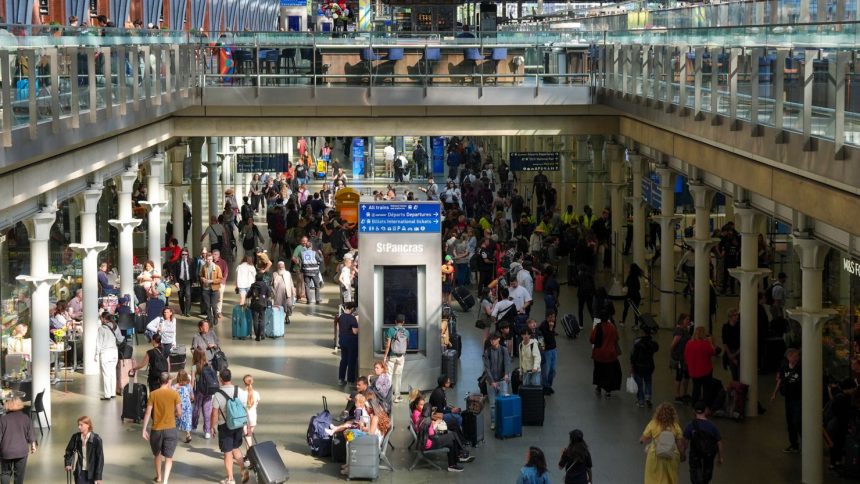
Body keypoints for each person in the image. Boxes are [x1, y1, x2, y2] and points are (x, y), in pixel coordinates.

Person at [210, 369, 250, 484]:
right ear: (230, 377)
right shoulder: (240, 391)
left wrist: (212, 427)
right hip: (238, 425)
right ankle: (243, 469)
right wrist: (247, 424)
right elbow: (244, 409)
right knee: (235, 448)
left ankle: (230, 478)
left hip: (225, 426)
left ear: (220, 379)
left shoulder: (218, 395)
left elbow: (214, 413)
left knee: (227, 452)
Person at [410, 396, 469, 473]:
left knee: (451, 439)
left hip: (424, 442)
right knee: (452, 436)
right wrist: (436, 427)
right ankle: (459, 456)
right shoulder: (426, 420)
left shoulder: (421, 417)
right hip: (428, 444)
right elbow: (432, 435)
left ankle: (454, 463)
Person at [141, 372, 181, 484]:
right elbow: (179, 412)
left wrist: (144, 429)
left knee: (157, 454)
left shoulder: (153, 394)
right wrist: (173, 414)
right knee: (169, 457)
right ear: (168, 381)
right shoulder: (174, 394)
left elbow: (148, 413)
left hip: (156, 430)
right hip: (171, 429)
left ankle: (158, 477)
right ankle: (165, 481)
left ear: (159, 381)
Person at [640, 402, 684, 484]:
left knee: (653, 478)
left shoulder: (653, 424)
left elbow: (643, 438)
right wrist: (682, 455)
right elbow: (680, 444)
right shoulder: (675, 426)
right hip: (672, 455)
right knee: (671, 477)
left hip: (655, 455)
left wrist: (642, 441)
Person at [682, 401, 723, 484]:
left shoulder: (690, 425)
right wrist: (720, 457)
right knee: (706, 476)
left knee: (696, 476)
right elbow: (719, 442)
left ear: (694, 411)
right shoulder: (711, 426)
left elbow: (685, 442)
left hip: (695, 454)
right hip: (708, 455)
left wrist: (683, 453)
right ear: (706, 411)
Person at [771, 348, 801, 453]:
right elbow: (780, 381)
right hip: (788, 399)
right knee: (790, 422)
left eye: (797, 356)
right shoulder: (784, 368)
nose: (797, 358)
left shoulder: (800, 367)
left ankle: (805, 442)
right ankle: (794, 444)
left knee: (797, 421)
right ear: (789, 357)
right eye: (794, 356)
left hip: (798, 399)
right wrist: (774, 393)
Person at [0, 397, 36, 484]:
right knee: (19, 475)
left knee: (5, 473)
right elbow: (30, 433)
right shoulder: (25, 418)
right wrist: (33, 445)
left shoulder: (2, 419)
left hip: (6, 451)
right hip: (21, 451)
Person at [482, 333, 512, 430]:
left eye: (494, 339)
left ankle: (503, 421)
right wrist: (492, 381)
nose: (492, 341)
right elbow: (487, 368)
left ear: (498, 339)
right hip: (491, 382)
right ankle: (494, 422)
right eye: (491, 340)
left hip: (502, 380)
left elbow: (507, 363)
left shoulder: (504, 350)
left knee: (502, 402)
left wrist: (506, 374)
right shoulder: (487, 352)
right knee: (492, 405)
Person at [63, 416, 105, 484]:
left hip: (92, 473)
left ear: (88, 425)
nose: (79, 427)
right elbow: (69, 451)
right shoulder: (76, 437)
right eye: (78, 425)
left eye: (81, 425)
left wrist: (98, 477)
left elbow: (100, 459)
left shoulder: (96, 439)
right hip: (80, 472)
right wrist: (67, 464)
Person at [589, 315, 621, 397]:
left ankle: (598, 387)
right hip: (610, 355)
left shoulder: (598, 327)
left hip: (599, 354)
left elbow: (592, 339)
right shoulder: (612, 327)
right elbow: (616, 338)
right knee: (609, 373)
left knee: (599, 371)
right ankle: (608, 391)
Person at [684, 326, 716, 405]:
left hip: (693, 371)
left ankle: (694, 404)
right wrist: (711, 343)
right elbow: (713, 352)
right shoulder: (705, 344)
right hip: (705, 370)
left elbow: (686, 356)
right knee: (706, 389)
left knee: (696, 388)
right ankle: (706, 405)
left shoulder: (689, 344)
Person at [631, 327, 660, 408]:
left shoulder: (637, 342)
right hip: (649, 366)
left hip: (638, 366)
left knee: (639, 384)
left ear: (642, 332)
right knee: (648, 382)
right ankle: (648, 397)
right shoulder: (652, 343)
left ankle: (641, 401)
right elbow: (656, 348)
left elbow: (633, 355)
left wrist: (632, 366)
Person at [191, 349, 216, 440]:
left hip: (199, 391)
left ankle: (193, 426)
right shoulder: (209, 366)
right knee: (207, 411)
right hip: (208, 391)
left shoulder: (194, 367)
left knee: (196, 409)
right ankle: (207, 432)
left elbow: (192, 382)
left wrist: (191, 392)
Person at [383, 314, 409, 402]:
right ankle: (397, 396)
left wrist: (385, 356)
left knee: (389, 375)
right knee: (398, 376)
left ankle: (388, 395)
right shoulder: (406, 332)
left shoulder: (391, 330)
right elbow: (406, 344)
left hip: (392, 356)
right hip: (401, 356)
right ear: (403, 322)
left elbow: (388, 345)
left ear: (395, 321)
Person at [95, 311, 120, 400]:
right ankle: (113, 393)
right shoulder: (115, 326)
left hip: (106, 353)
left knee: (106, 374)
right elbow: (120, 339)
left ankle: (107, 395)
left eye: (101, 318)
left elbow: (99, 343)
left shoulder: (102, 329)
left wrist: (96, 354)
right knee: (112, 373)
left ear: (104, 319)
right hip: (114, 352)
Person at [671, 314, 693, 403]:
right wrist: (675, 355)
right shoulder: (679, 331)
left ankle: (684, 393)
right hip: (680, 358)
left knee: (686, 375)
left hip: (685, 357)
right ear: (682, 320)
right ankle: (677, 395)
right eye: (687, 319)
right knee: (679, 375)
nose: (688, 321)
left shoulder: (685, 329)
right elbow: (673, 344)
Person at [337, 303, 359, 386]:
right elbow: (355, 331)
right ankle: (350, 380)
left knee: (344, 360)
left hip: (342, 340)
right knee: (351, 361)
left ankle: (341, 379)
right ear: (352, 309)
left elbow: (338, 328)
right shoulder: (352, 318)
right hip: (351, 342)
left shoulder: (341, 317)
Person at [199, 253, 224, 327]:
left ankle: (215, 316)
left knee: (213, 305)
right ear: (206, 259)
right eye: (207, 259)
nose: (209, 261)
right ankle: (210, 319)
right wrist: (202, 279)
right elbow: (201, 275)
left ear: (212, 259)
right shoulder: (204, 267)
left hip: (214, 289)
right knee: (207, 305)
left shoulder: (217, 267)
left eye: (210, 259)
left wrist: (211, 281)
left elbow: (220, 279)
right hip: (206, 289)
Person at [299, 236, 323, 304]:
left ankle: (309, 300)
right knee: (317, 286)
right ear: (311, 246)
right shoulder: (314, 253)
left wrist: (301, 271)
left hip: (306, 272)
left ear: (306, 247)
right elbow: (320, 260)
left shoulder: (302, 254)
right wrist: (321, 254)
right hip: (315, 272)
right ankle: (317, 300)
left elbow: (301, 263)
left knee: (307, 286)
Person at [247, 273, 271, 341]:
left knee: (255, 319)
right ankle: (262, 335)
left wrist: (248, 296)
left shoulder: (253, 285)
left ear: (256, 278)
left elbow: (249, 294)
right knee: (262, 319)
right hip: (262, 304)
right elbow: (269, 294)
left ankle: (257, 335)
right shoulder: (265, 285)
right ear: (262, 278)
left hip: (254, 304)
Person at [539, 312, 558, 395]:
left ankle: (549, 385)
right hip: (547, 351)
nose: (553, 319)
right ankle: (544, 386)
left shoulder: (553, 323)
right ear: (547, 317)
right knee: (545, 370)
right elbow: (548, 339)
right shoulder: (543, 326)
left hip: (553, 349)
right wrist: (550, 328)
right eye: (551, 317)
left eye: (553, 317)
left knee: (552, 370)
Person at [172, 370, 194, 444]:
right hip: (187, 406)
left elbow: (170, 391)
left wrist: (172, 379)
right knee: (187, 420)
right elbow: (192, 397)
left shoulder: (176, 386)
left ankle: (173, 435)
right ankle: (188, 435)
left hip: (179, 406)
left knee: (176, 420)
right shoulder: (189, 385)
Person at [622, 263, 644, 327]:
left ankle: (623, 322)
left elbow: (626, 285)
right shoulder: (636, 277)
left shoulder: (630, 277)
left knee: (625, 309)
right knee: (636, 311)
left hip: (629, 296)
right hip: (637, 296)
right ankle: (636, 324)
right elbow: (638, 287)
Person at [721, 309, 740, 382]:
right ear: (730, 317)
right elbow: (724, 342)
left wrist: (735, 354)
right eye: (734, 315)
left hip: (738, 351)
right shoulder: (725, 327)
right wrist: (731, 356)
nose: (736, 317)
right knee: (734, 374)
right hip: (730, 351)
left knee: (740, 373)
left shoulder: (739, 326)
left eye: (737, 315)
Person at [175, 249, 195, 316]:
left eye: (186, 254)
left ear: (188, 254)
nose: (184, 256)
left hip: (188, 281)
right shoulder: (177, 262)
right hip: (180, 281)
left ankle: (188, 311)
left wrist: (194, 281)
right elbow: (174, 273)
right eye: (183, 254)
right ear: (181, 254)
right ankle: (183, 310)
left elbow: (193, 271)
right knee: (181, 296)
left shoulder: (191, 261)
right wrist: (176, 282)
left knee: (188, 295)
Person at [242, 375, 261, 448]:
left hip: (245, 418)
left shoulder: (243, 394)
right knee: (249, 436)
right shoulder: (256, 393)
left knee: (248, 437)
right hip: (253, 417)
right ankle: (249, 454)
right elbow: (257, 402)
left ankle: (250, 454)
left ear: (244, 383)